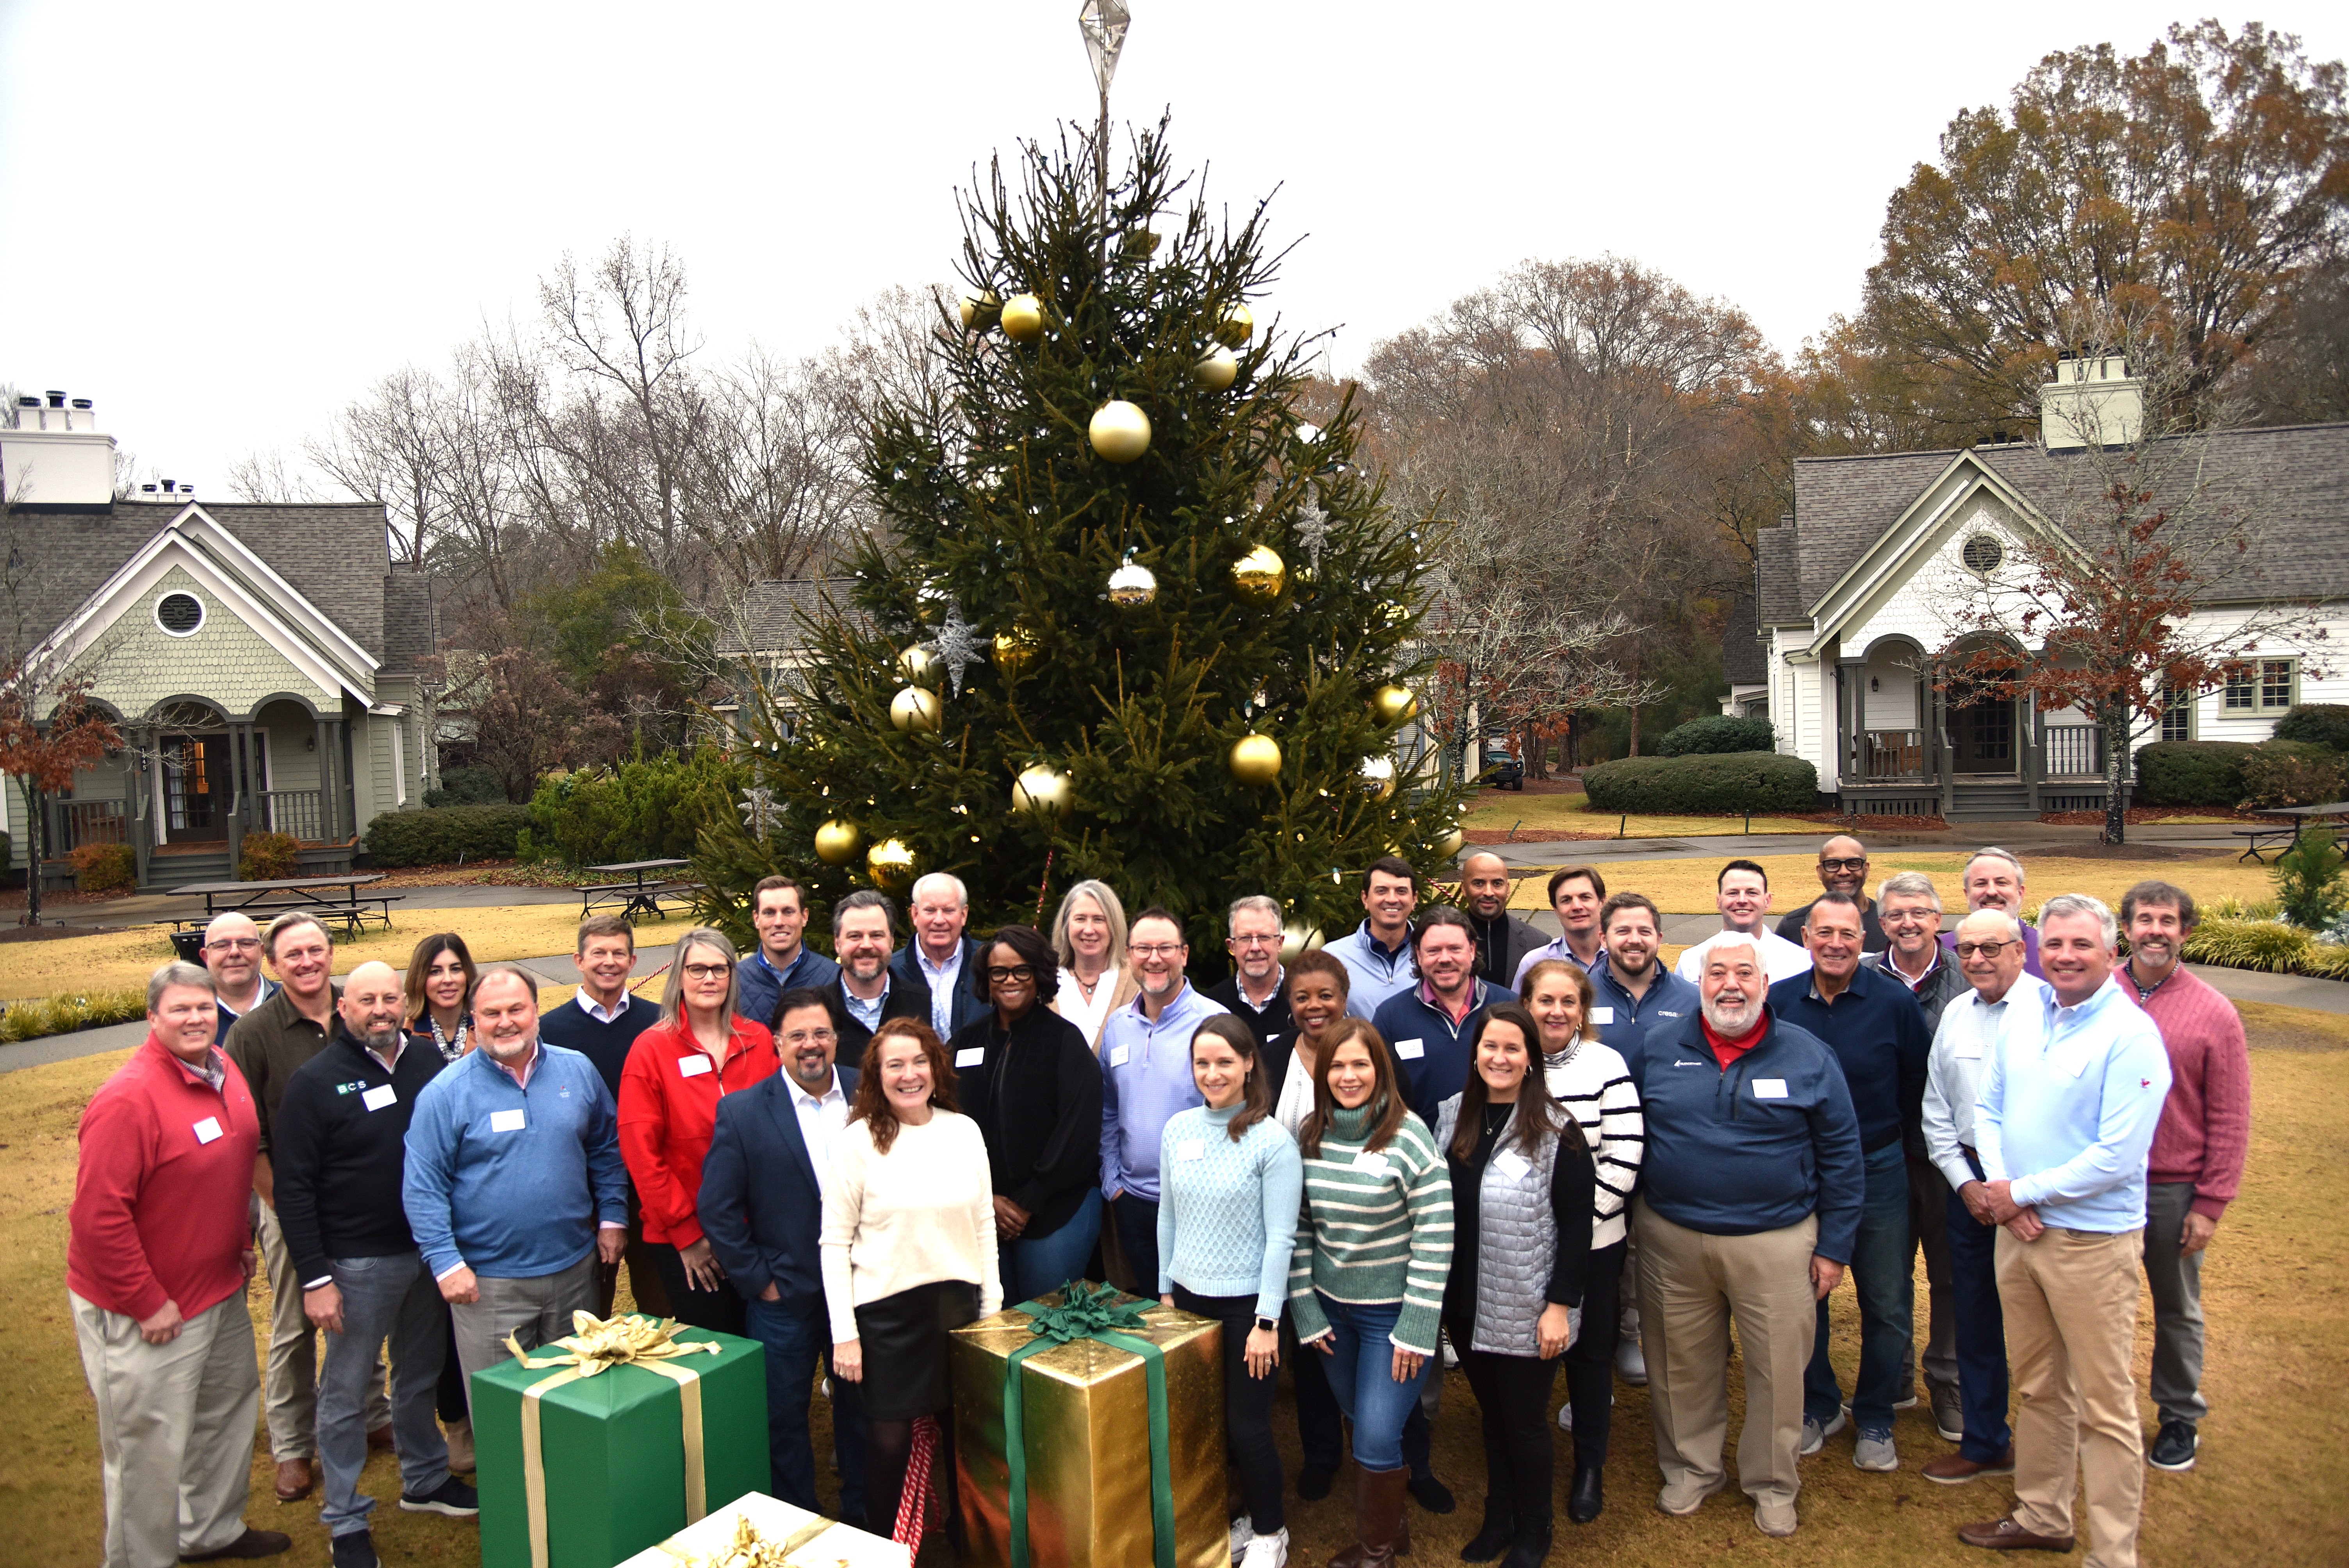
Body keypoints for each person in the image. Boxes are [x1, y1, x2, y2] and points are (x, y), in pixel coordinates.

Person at [1963, 895, 2170, 1563]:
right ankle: (2042, 1514)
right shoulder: (2027, 1015)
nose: (2066, 956)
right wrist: (2007, 1198)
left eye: (2081, 944)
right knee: (2040, 1386)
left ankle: (2114, 1553)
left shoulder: (2131, 1035)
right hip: (2018, 1234)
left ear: (2113, 953)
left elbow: (2115, 1157)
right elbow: (1987, 1109)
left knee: (2106, 1407)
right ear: (2038, 949)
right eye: (2054, 944)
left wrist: (2019, 1194)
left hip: (2089, 1243)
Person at [1636, 932, 1862, 1540]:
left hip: (1778, 1241)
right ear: (1698, 983)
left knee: (1778, 1371)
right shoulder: (1659, 1047)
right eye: (1716, 973)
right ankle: (1691, 1469)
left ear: (1766, 984)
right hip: (1672, 1238)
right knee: (1680, 1364)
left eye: (1743, 973)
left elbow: (1843, 1155)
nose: (1729, 985)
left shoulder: (1808, 1055)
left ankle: (1771, 1483)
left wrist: (1835, 1246)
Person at [69, 963, 288, 1568]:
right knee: (148, 1449)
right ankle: (141, 1559)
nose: (195, 1019)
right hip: (149, 1311)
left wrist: (240, 1238)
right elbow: (97, 1219)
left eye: (203, 1007)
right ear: (152, 1017)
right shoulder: (128, 1099)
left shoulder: (224, 1069)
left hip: (218, 1290)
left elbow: (232, 1165)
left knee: (225, 1417)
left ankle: (210, 1531)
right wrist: (146, 1301)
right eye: (179, 1010)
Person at [271, 962, 476, 1568]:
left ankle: (425, 1479)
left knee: (418, 1373)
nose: (380, 1009)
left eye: (390, 998)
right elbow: (294, 1189)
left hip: (426, 1253)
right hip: (357, 1263)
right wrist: (315, 1278)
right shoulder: (315, 1082)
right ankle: (345, 1518)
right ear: (344, 1007)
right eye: (367, 1000)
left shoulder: (424, 1063)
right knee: (345, 1392)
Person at [402, 965, 629, 1397]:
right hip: (488, 1284)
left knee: (577, 1397)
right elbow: (423, 1184)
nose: (505, 1021)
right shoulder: (446, 1092)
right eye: (491, 1012)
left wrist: (614, 1216)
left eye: (516, 1009)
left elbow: (606, 1147)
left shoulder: (577, 1070)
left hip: (574, 1271)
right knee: (501, 1410)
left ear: (536, 1011)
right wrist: (446, 1263)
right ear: (474, 1019)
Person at [1768, 893, 1931, 1473]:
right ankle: (1818, 1404)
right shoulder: (1780, 1002)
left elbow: (1916, 1085)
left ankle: (1877, 1414)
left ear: (1866, 941)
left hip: (1877, 1167)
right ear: (1805, 937)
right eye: (1824, 933)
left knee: (1887, 1299)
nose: (1836, 943)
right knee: (1805, 1298)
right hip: (1802, 1170)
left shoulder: (1894, 1003)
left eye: (1849, 934)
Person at [821, 1018, 1000, 1543]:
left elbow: (984, 1223)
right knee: (889, 1444)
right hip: (887, 1318)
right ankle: (885, 1546)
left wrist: (991, 1310)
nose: (909, 1075)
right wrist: (844, 1334)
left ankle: (966, 1539)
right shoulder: (857, 1143)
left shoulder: (963, 1132)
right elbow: (834, 1243)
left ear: (936, 1068)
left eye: (919, 1062)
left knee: (960, 1436)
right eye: (894, 1065)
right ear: (877, 1075)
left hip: (959, 1310)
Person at [699, 986, 870, 1525]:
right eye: (797, 1036)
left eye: (820, 1033)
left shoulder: (871, 1095)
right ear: (777, 1043)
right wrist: (759, 1281)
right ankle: (799, 1522)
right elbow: (718, 1208)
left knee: (862, 1414)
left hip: (865, 1289)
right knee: (782, 1418)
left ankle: (866, 1521)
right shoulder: (744, 1111)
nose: (811, 1045)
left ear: (836, 1038)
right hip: (784, 1297)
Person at [1433, 1005, 1595, 1568]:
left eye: (1512, 1049)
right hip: (1466, 1304)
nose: (1499, 1058)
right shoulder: (1452, 1116)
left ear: (1530, 1060)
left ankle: (1535, 1527)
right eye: (1490, 1047)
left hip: (1528, 1305)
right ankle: (1498, 1515)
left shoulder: (1557, 1130)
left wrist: (1559, 1306)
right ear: (1475, 1054)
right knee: (1493, 1416)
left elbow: (1578, 1225)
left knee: (1524, 1423)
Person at [1289, 1019, 1456, 1568]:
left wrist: (1417, 1322)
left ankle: (1376, 1552)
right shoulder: (1312, 1134)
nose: (1349, 1075)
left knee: (1377, 1436)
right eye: (1337, 1065)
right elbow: (1301, 1228)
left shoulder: (1408, 1135)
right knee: (1361, 1420)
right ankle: (1398, 1527)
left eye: (1361, 1063)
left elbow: (1435, 1231)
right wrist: (1307, 1308)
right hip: (1331, 1311)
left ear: (1380, 1069)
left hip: (1392, 1316)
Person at [225, 912, 380, 1503]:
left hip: (361, 1199)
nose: (307, 963)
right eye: (293, 955)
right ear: (273, 964)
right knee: (296, 1323)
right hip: (290, 1201)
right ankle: (292, 1445)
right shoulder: (254, 1033)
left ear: (332, 953)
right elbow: (248, 1133)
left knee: (364, 1309)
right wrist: (280, 1204)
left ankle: (372, 1411)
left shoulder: (358, 1012)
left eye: (315, 950)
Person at [1156, 1017, 1304, 1568]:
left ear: (1248, 1064)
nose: (1212, 1073)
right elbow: (1168, 1215)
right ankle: (1236, 1516)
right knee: (1206, 1423)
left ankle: (1271, 1531)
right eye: (1202, 1063)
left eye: (1224, 1062)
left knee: (1248, 1426)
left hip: (1248, 1309)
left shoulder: (1272, 1142)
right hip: (1189, 1304)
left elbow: (1281, 1238)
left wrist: (1267, 1322)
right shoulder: (1178, 1130)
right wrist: (1166, 1291)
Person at [2119, 880, 2250, 1475]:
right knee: (2101, 1304)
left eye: (2167, 921)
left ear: (2185, 932)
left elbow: (2229, 1114)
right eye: (2144, 919)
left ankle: (2178, 1416)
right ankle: (2105, 1412)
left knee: (2177, 1308)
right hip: (2103, 1184)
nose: (2155, 930)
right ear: (2125, 929)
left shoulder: (2214, 1013)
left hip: (2173, 1188)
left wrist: (2211, 1202)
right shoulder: (2095, 996)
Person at [1918, 908, 2049, 1486]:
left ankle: (2053, 1456)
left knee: (2048, 1328)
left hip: (2040, 1191)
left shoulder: (2053, 1011)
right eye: (1966, 949)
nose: (1976, 960)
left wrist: (2015, 1192)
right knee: (1974, 1317)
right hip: (1969, 1189)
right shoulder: (1955, 1013)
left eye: (1991, 949)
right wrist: (1966, 1184)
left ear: (2021, 949)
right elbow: (1937, 1109)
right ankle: (1986, 1440)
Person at [1518, 958, 1643, 1522]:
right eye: (1546, 1000)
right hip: (1521, 1246)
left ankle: (1590, 1465)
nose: (1557, 1011)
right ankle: (1522, 1461)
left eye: (1568, 1002)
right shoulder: (1509, 1059)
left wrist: (1573, 1230)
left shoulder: (1605, 1064)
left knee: (1590, 1357)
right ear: (1527, 1005)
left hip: (1596, 1240)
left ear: (1583, 1010)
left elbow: (1625, 1154)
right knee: (1525, 1359)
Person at [619, 928, 780, 1334]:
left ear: (732, 975)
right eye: (697, 969)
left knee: (760, 1344)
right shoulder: (651, 1048)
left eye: (719, 968)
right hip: (687, 1237)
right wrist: (687, 1234)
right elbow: (641, 1152)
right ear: (679, 976)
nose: (709, 978)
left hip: (755, 1233)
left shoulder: (758, 1040)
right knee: (713, 1349)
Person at [1860, 871, 1967, 1441]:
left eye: (1919, 913)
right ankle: (1894, 1375)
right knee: (1888, 1275)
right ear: (1883, 923)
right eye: (1897, 914)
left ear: (1937, 919)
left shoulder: (1965, 979)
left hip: (1948, 1158)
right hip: (1886, 1153)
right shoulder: (1864, 978)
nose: (1908, 923)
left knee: (1950, 1275)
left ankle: (1947, 1380)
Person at [954, 924, 1106, 1302]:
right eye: (998, 972)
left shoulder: (1064, 1041)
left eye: (1021, 970)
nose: (1010, 980)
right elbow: (945, 1124)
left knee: (1045, 1323)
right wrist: (987, 1197)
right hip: (983, 1207)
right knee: (992, 1320)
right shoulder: (964, 1042)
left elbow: (1078, 1132)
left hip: (1056, 1208)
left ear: (1038, 975)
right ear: (986, 979)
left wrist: (1027, 1201)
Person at [538, 914, 669, 1321]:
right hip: (585, 1190)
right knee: (587, 1309)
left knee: (661, 1305)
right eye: (598, 952)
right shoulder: (550, 1030)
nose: (608, 961)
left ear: (633, 961)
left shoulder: (660, 1022)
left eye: (618, 952)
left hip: (651, 1184)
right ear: (578, 959)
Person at [1099, 907, 1228, 1296]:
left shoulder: (1213, 1022)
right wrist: (1112, 1183)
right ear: (1128, 955)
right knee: (1152, 1312)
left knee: (1198, 1317)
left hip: (1199, 1206)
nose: (1154, 958)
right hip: (1133, 1201)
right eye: (1143, 948)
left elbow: (1237, 1115)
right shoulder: (1118, 1025)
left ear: (1184, 954)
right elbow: (1106, 1108)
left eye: (1165, 947)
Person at [1273, 951, 1353, 1501]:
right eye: (1303, 997)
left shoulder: (1364, 1053)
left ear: (1344, 998)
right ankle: (1322, 1454)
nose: (1315, 1006)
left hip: (1359, 1227)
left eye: (1325, 995)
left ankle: (1403, 1459)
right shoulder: (1273, 1054)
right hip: (1294, 1228)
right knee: (1310, 1348)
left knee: (1373, 1346)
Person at [1370, 907, 1502, 1123]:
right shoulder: (1391, 1018)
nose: (1445, 959)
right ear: (1419, 955)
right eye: (1433, 951)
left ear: (1471, 950)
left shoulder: (1507, 1007)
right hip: (1420, 1149)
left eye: (1455, 949)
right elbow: (1379, 1096)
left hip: (1496, 1146)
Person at [1204, 894, 1297, 1088]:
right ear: (1232, 946)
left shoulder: (1303, 1001)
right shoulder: (1212, 1006)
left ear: (1280, 943)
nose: (1255, 948)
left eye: (1264, 937)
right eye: (1246, 938)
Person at [824, 891, 930, 1060]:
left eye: (876, 936)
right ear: (837, 944)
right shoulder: (817, 1008)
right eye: (855, 936)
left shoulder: (926, 1003)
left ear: (892, 942)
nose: (866, 945)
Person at [1672, 861, 1813, 985]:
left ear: (1767, 901)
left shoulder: (1801, 962)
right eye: (1733, 893)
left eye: (1752, 893)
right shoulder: (1691, 962)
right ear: (1719, 901)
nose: (1742, 900)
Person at [736, 876, 843, 1032]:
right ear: (757, 919)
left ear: (804, 917)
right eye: (769, 913)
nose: (779, 922)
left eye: (788, 912)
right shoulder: (734, 980)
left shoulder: (834, 976)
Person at [893, 871, 987, 1042]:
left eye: (948, 911)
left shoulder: (989, 963)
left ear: (964, 915)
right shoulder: (892, 971)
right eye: (930, 911)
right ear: (915, 914)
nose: (939, 920)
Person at [1327, 855, 1422, 1019]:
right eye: (1382, 891)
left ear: (1414, 899)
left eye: (1401, 891)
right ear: (1365, 899)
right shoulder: (1333, 958)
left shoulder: (1433, 954)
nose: (1392, 899)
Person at [1049, 878, 1139, 1048]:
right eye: (1080, 919)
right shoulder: (1046, 981)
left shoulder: (1136, 980)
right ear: (1066, 925)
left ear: (1114, 926)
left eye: (1099, 920)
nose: (1089, 930)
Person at [1939, 848, 2047, 979]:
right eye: (1981, 884)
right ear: (1967, 894)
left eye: (2001, 883)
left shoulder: (2047, 949)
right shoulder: (1940, 951)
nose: (1991, 892)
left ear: (2020, 892)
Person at [1775, 836, 1889, 952]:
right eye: (1833, 865)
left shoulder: (1888, 923)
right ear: (1820, 871)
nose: (1844, 872)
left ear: (1866, 869)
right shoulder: (1792, 927)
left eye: (1853, 864)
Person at [1509, 866, 1608, 988]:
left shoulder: (1623, 957)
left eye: (1585, 898)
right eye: (1566, 900)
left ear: (1602, 901)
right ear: (1555, 908)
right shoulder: (1534, 963)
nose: (1577, 906)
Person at [1458, 852, 1542, 986]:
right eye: (1479, 884)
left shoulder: (1537, 943)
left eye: (1497, 884)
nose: (1489, 892)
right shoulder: (1442, 941)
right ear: (1464, 888)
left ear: (1508, 888)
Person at [403, 933, 477, 1061]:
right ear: (420, 979)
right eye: (435, 972)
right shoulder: (404, 1037)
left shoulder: (488, 1028)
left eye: (456, 969)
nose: (448, 980)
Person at [200, 912, 274, 1038]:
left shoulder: (293, 1004)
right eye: (222, 945)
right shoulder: (189, 1017)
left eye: (246, 943)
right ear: (206, 956)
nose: (234, 952)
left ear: (262, 952)